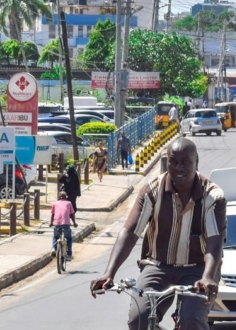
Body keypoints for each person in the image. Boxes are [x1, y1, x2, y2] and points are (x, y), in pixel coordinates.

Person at [89, 139, 225, 330]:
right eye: (173, 161)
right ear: (166, 162)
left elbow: (215, 239)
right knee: (139, 319)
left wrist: (209, 276)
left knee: (191, 319)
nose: (179, 167)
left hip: (199, 270)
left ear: (196, 162)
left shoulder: (213, 195)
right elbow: (130, 231)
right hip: (158, 267)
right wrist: (109, 273)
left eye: (186, 162)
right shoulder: (152, 190)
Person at [50, 191, 77, 260]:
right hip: (66, 224)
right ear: (66, 197)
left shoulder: (55, 203)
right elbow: (72, 214)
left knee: (55, 237)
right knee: (69, 238)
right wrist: (74, 223)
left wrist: (51, 223)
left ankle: (53, 248)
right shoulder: (69, 203)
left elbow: (52, 215)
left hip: (56, 224)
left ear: (58, 197)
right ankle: (69, 254)